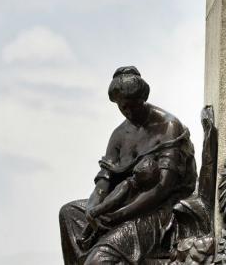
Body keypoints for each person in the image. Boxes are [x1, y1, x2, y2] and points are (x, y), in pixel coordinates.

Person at [59, 66, 197, 265]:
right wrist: (92, 207)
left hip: (156, 208)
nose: (129, 111)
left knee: (98, 261)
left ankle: (99, 253)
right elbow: (103, 181)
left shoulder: (168, 126)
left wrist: (118, 216)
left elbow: (163, 188)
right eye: (123, 107)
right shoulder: (119, 135)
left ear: (143, 98)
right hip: (121, 203)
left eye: (134, 105)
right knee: (69, 213)